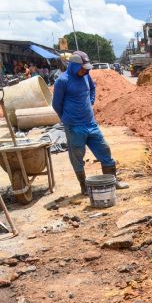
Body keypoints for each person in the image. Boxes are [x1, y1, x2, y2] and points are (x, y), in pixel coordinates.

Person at [52, 51, 129, 195]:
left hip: (91, 124)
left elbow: (92, 88)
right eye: (83, 68)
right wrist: (66, 118)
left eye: (87, 68)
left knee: (104, 150)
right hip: (74, 126)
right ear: (74, 66)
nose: (86, 71)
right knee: (77, 157)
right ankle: (84, 187)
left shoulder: (86, 77)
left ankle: (113, 181)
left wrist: (91, 100)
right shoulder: (62, 81)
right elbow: (56, 104)